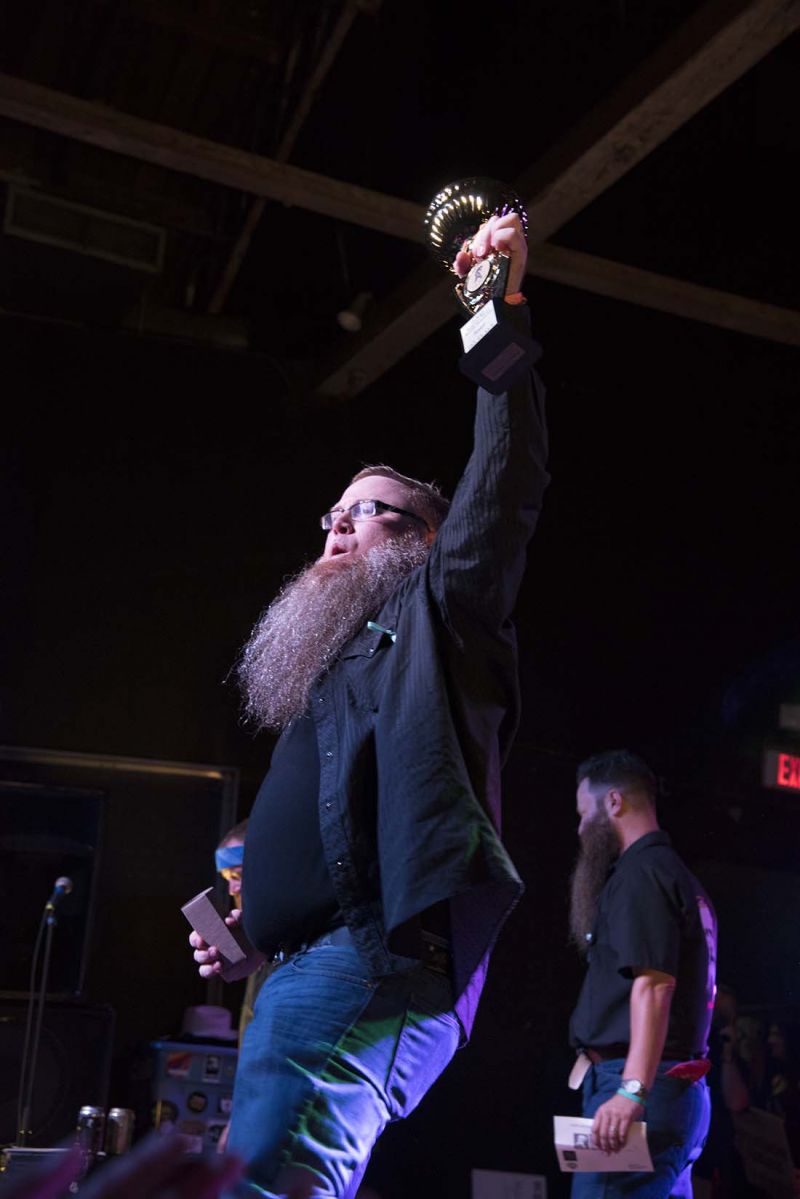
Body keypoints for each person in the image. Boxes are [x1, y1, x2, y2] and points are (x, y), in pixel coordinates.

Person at [189, 209, 550, 1198]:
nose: (340, 527)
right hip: (303, 966)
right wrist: (247, 918)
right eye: (333, 512)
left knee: (273, 1181)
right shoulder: (344, 660)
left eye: (371, 511)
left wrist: (492, 312)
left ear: (429, 541)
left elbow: (503, 475)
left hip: (372, 954)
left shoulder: (443, 608)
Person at [567, 749, 717, 1199]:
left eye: (583, 813)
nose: (579, 828)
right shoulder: (675, 875)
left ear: (613, 802)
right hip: (669, 1090)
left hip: (640, 1089)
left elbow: (655, 985)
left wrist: (632, 1090)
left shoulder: (643, 872)